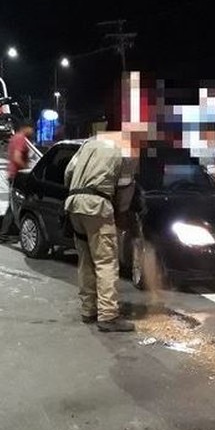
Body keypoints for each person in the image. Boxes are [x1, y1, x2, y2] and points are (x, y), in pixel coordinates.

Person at [63, 130, 141, 332]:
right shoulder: (128, 149)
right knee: (106, 261)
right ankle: (108, 316)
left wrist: (76, 192)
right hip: (97, 206)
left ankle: (89, 309)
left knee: (85, 259)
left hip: (74, 204)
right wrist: (121, 213)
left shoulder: (90, 142)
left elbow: (68, 173)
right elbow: (125, 186)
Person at [0, 120, 34, 244]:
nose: (32, 132)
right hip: (17, 176)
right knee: (15, 206)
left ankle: (8, 234)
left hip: (14, 175)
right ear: (26, 128)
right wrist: (27, 170)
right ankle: (4, 235)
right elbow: (17, 158)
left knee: (13, 205)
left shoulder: (15, 138)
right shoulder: (20, 139)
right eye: (31, 129)